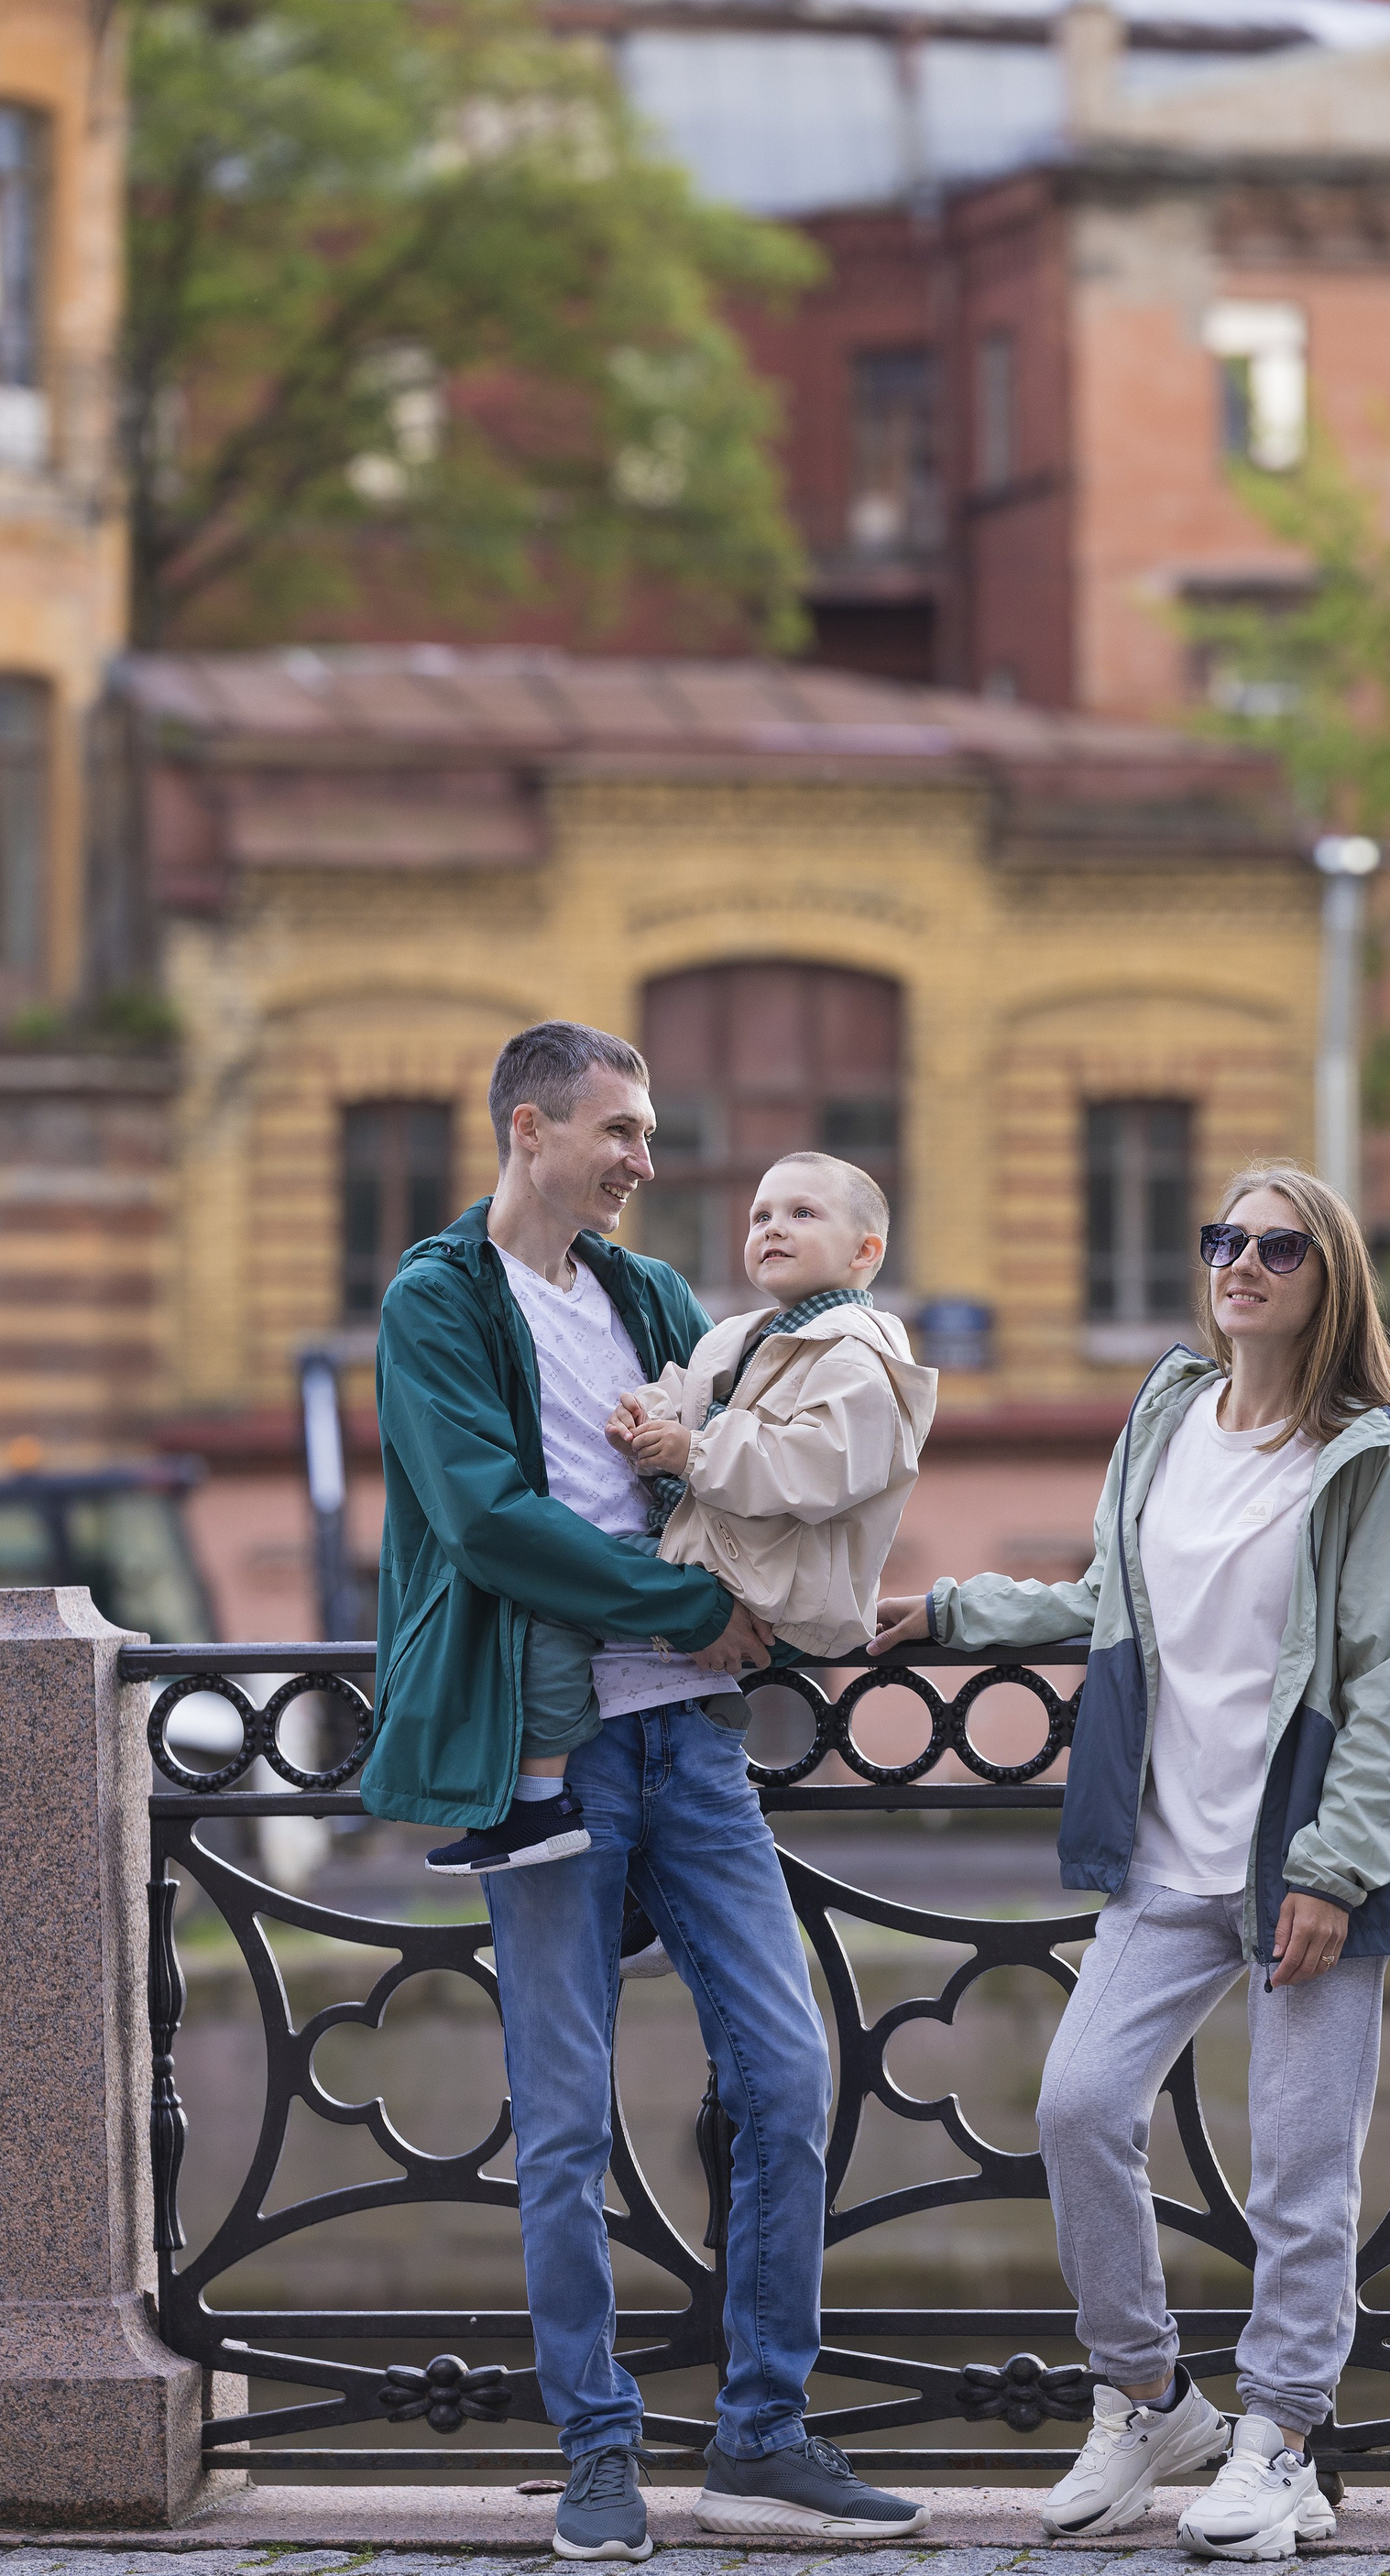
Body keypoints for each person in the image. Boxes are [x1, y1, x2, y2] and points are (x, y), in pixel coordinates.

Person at [362, 1021, 930, 2560]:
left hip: (693, 1743)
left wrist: (797, 1600)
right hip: (544, 1749)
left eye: (650, 1131)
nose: (644, 1159)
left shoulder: (649, 1296)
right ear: (530, 1128)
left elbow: (738, 1466)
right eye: (619, 1130)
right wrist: (683, 1607)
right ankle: (598, 2448)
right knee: (564, 2122)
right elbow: (484, 1521)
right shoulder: (437, 1298)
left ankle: (762, 2439)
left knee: (786, 2079)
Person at [871, 1160, 1390, 2564]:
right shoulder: (1169, 1418)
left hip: (1301, 1866)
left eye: (1279, 1248)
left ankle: (1282, 2441)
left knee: (1300, 2170)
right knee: (1077, 2104)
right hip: (1166, 1853)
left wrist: (1333, 1869)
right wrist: (957, 1611)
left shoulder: (1369, 1460)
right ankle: (1148, 2401)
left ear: (1329, 1282)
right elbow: (1112, 1598)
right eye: (1223, 1239)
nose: (1241, 1263)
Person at [607, 1150, 936, 1665]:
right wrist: (642, 1417)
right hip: (715, 1561)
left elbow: (819, 1468)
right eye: (760, 1216)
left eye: (802, 1214)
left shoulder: (858, 1355)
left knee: (566, 1577)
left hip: (773, 1599)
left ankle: (537, 1722)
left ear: (864, 1251)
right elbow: (689, 1394)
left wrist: (692, 1451)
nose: (773, 1229)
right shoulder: (742, 1335)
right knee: (569, 1588)